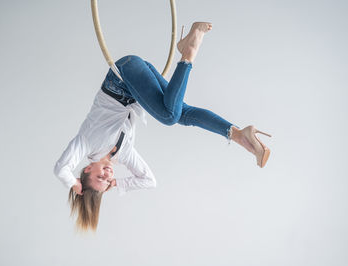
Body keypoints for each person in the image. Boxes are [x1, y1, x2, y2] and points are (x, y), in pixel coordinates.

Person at [53, 22, 271, 231]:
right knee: (181, 114)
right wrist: (117, 184)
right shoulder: (123, 155)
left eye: (99, 177)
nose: (107, 175)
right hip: (137, 85)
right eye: (107, 180)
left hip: (123, 75)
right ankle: (239, 134)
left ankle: (189, 50)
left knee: (169, 116)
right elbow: (149, 180)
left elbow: (60, 169)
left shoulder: (86, 143)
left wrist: (75, 185)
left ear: (87, 169)